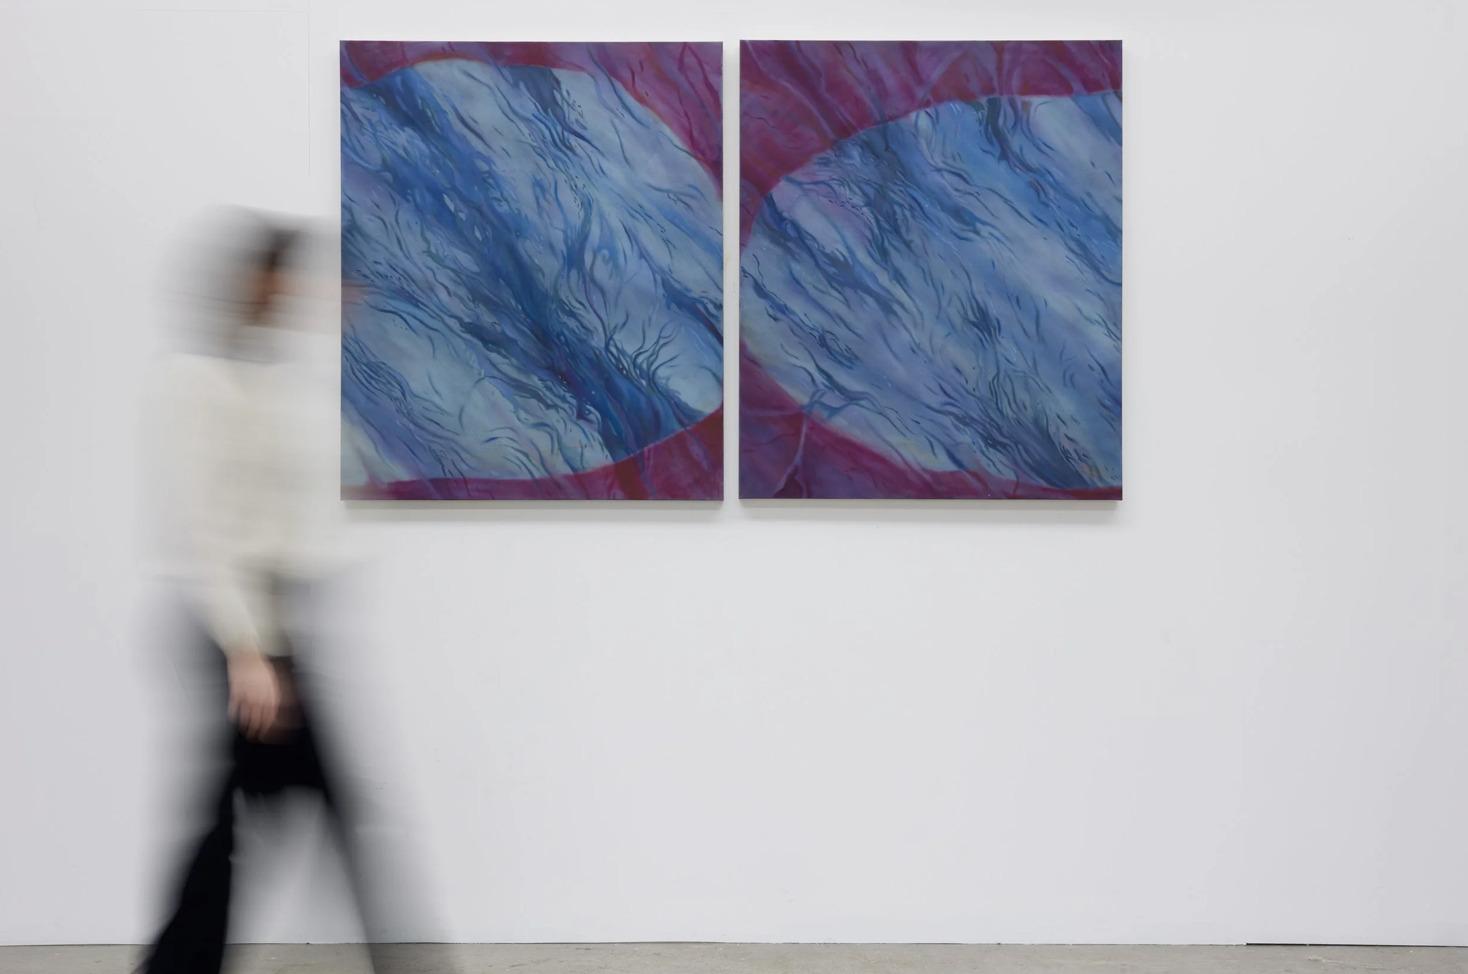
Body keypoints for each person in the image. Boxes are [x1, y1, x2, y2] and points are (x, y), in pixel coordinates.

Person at [141, 213, 435, 974]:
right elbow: (204, 530)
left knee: (244, 825)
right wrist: (247, 651)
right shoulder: (196, 383)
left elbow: (292, 515)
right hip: (238, 628)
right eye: (288, 280)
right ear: (255, 283)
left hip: (282, 622)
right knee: (306, 816)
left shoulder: (271, 379)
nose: (303, 294)